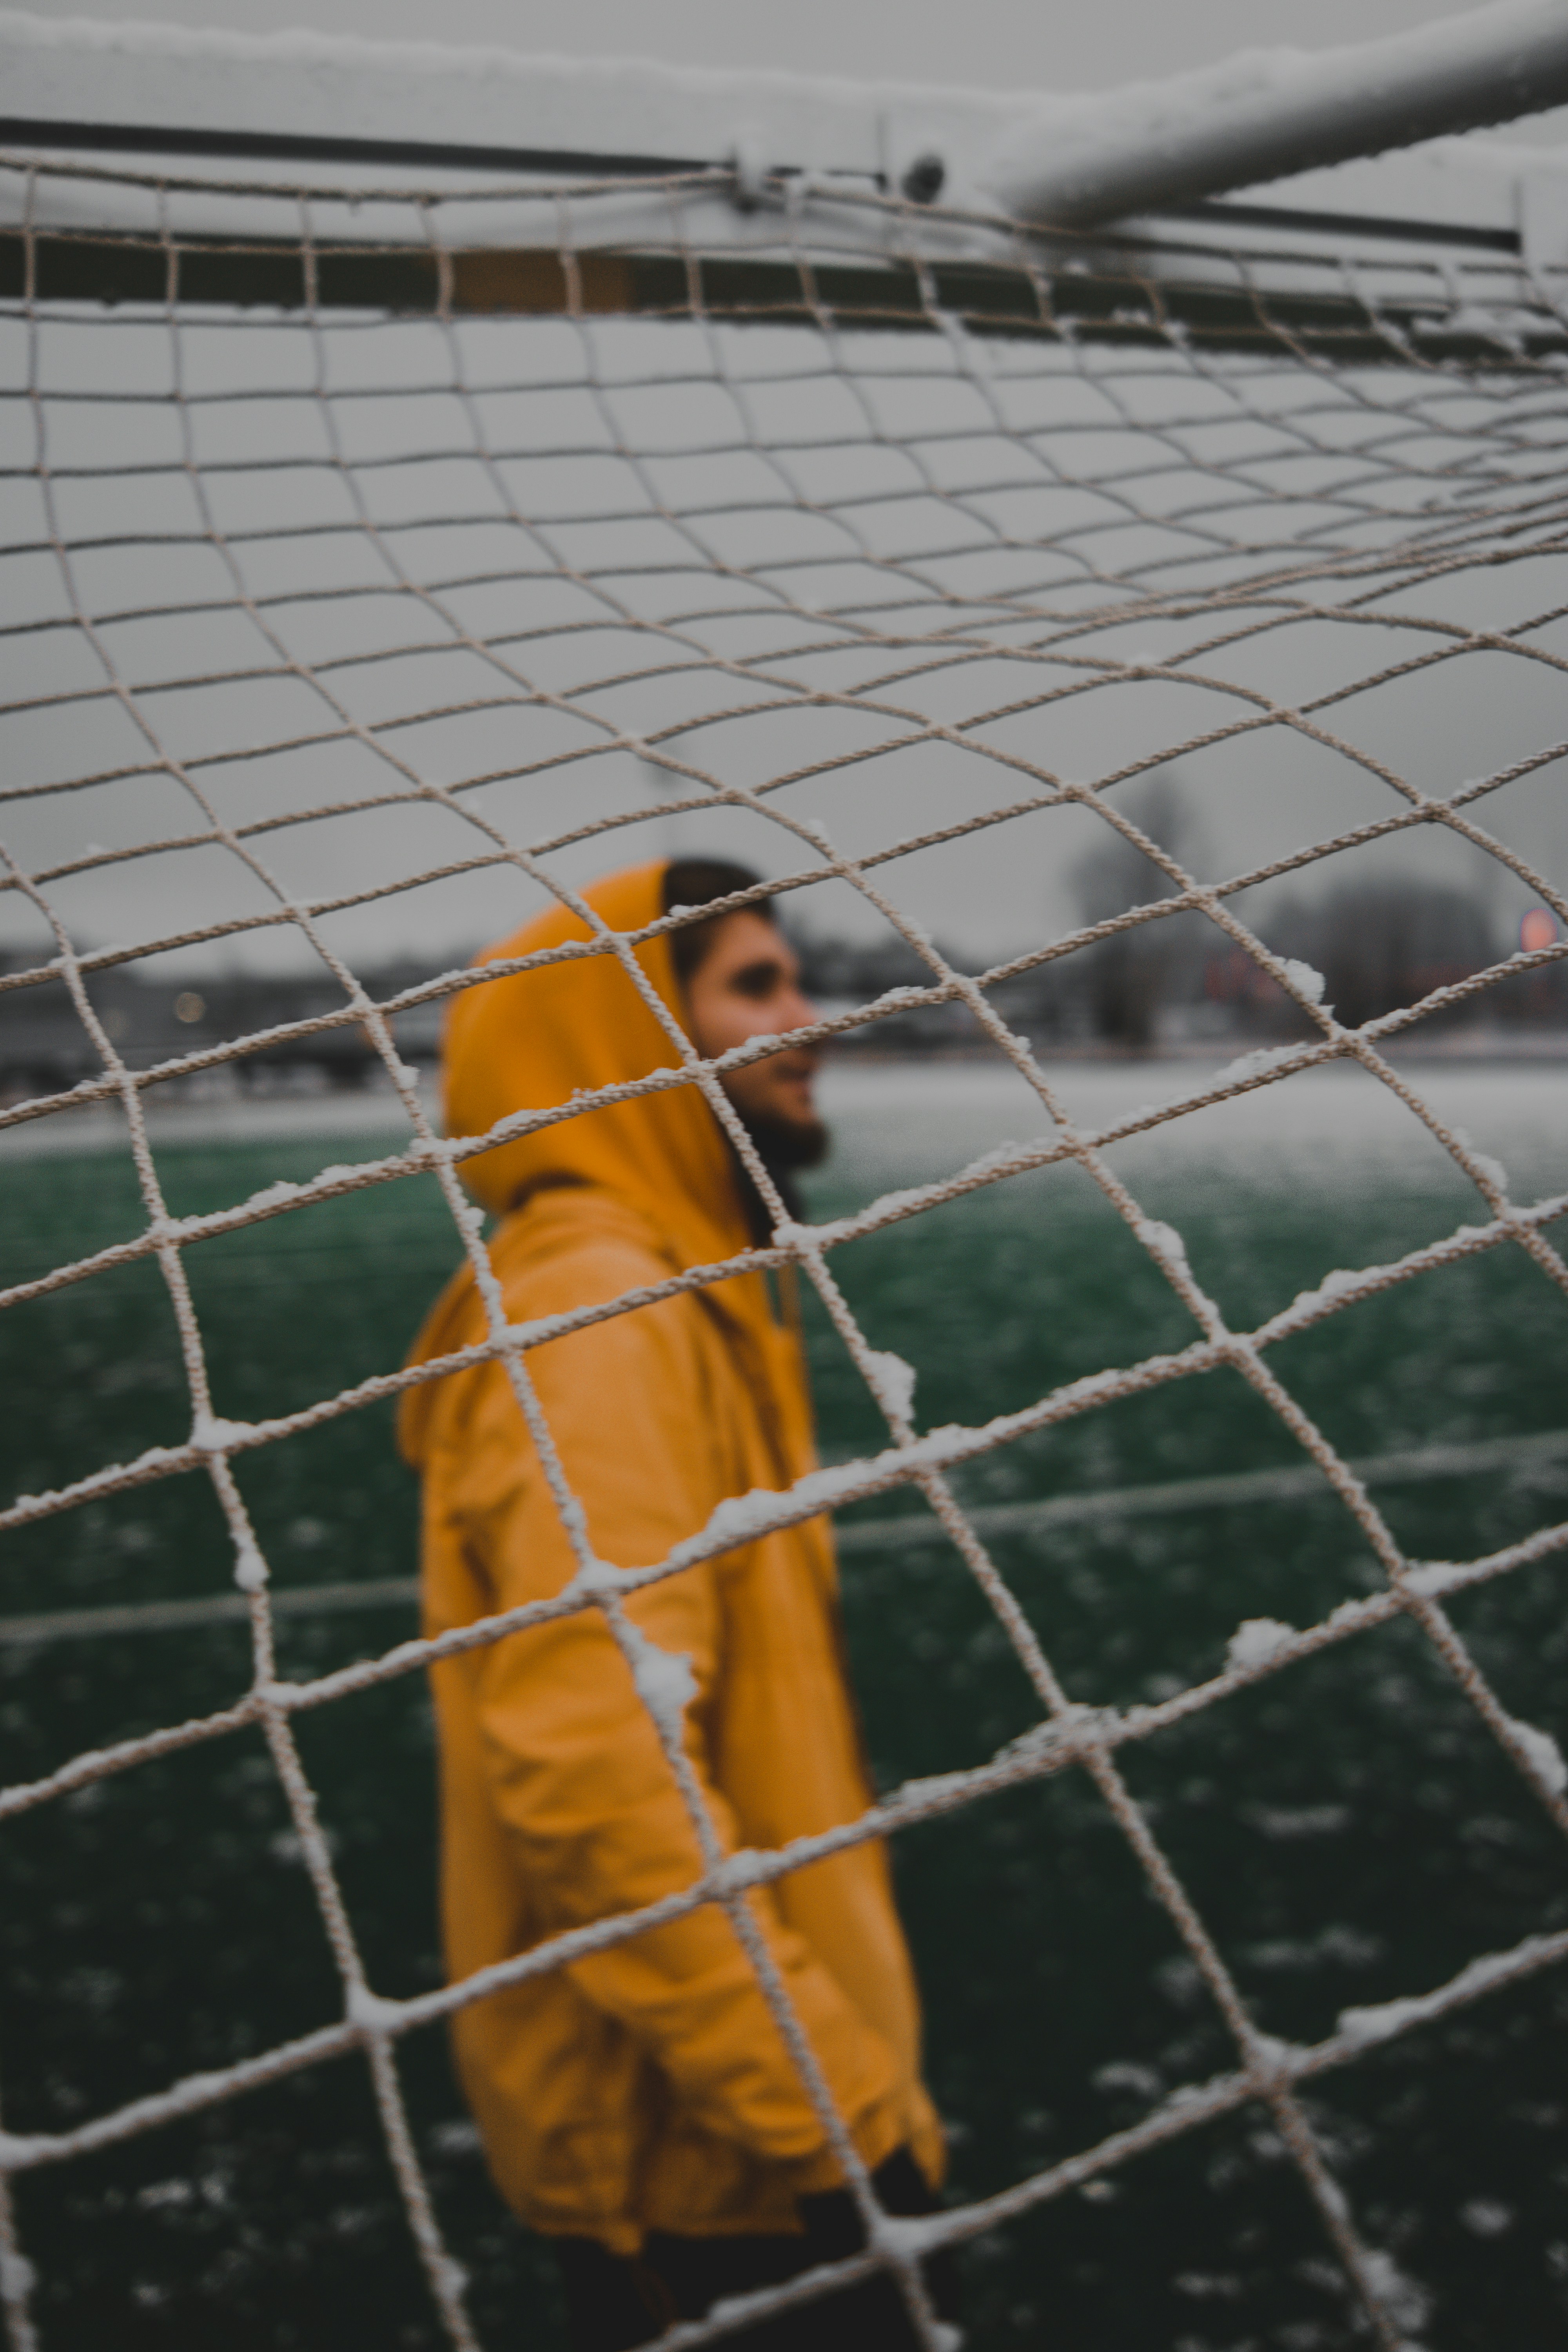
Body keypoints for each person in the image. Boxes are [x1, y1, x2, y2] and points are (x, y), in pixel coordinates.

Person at [397, 859, 955, 2351]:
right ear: (627, 1033)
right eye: (754, 987)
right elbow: (596, 1770)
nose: (808, 1018)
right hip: (719, 2173)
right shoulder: (600, 1310)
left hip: (743, 2151)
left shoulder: (678, 1275)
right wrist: (835, 2117)